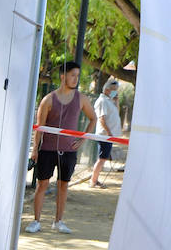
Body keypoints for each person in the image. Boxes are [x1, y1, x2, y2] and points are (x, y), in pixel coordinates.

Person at [29, 61, 97, 234]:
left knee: (63, 185)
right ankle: (36, 221)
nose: (75, 79)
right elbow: (39, 127)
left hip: (69, 151)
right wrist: (35, 149)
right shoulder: (48, 100)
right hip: (47, 150)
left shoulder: (81, 99)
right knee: (42, 185)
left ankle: (58, 221)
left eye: (77, 75)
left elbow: (93, 118)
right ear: (63, 76)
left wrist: (83, 139)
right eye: (72, 75)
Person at [89, 77, 123, 188]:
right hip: (105, 135)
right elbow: (101, 118)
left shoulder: (109, 101)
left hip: (109, 135)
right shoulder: (102, 101)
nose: (115, 92)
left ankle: (95, 179)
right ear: (107, 89)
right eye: (114, 89)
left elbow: (116, 112)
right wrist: (109, 133)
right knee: (102, 159)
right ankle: (93, 181)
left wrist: (116, 101)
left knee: (103, 158)